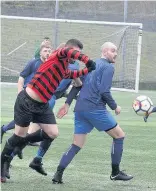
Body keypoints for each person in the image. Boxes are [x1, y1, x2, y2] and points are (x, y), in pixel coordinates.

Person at [1, 39, 96, 183]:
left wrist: (89, 69)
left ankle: (24, 144)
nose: (76, 55)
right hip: (27, 101)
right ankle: (2, 164)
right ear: (67, 49)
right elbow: (68, 51)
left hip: (42, 105)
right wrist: (87, 60)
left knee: (52, 133)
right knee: (18, 135)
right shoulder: (58, 54)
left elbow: (73, 74)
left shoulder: (63, 67)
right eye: (76, 52)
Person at [52, 42, 133, 184]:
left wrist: (67, 104)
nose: (115, 54)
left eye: (116, 51)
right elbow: (104, 91)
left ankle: (58, 174)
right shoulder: (108, 67)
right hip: (95, 109)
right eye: (113, 51)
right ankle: (115, 173)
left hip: (80, 109)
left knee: (76, 144)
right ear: (105, 51)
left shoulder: (91, 64)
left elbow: (77, 85)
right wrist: (115, 106)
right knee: (119, 136)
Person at [1, 45, 51, 144]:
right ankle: (18, 139)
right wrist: (20, 93)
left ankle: (6, 131)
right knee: (25, 118)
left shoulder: (50, 65)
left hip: (39, 97)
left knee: (28, 118)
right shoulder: (33, 63)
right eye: (45, 51)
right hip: (27, 94)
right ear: (40, 53)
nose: (47, 53)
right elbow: (22, 76)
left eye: (49, 51)